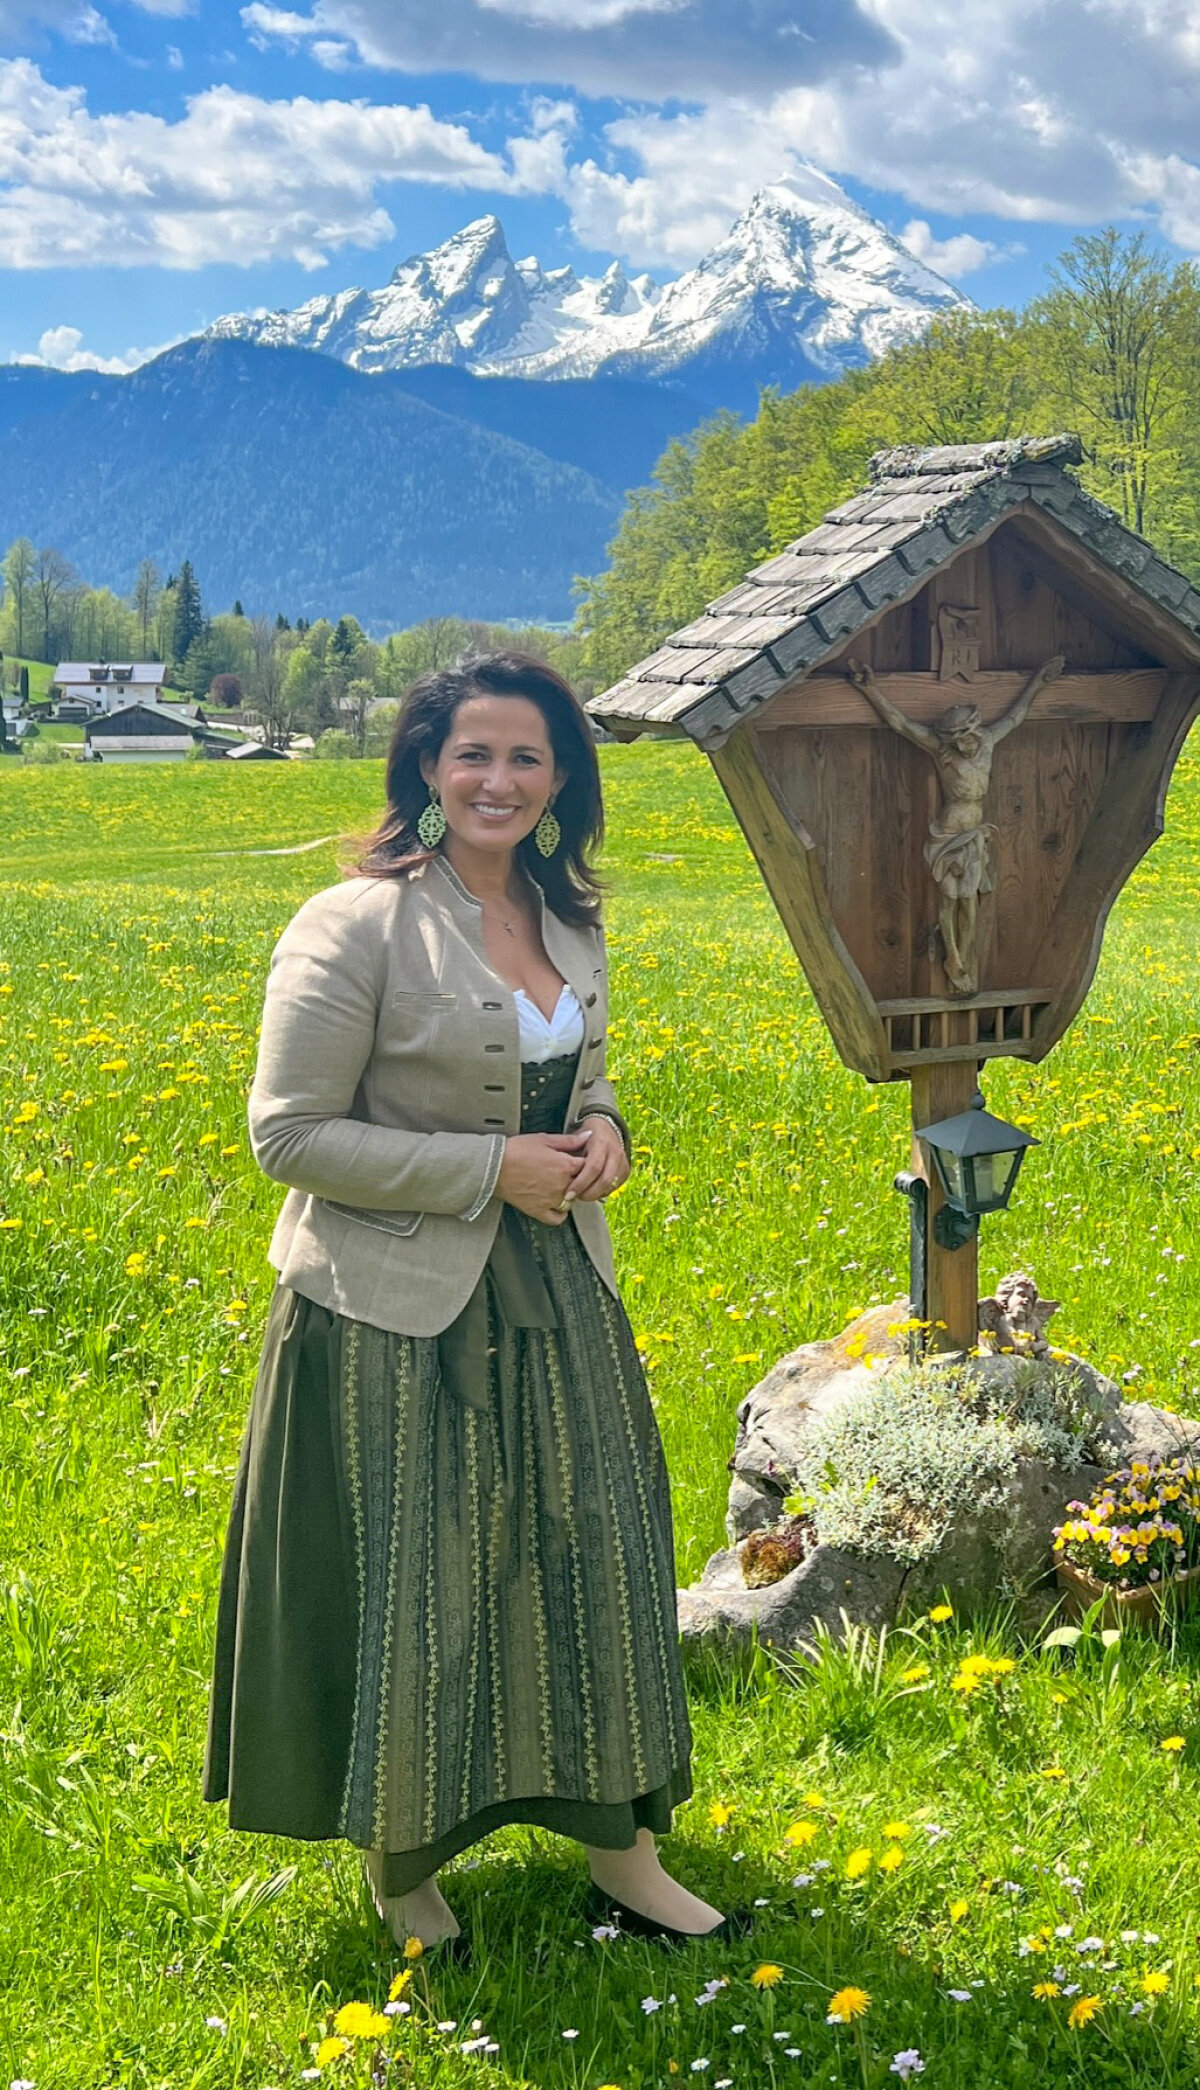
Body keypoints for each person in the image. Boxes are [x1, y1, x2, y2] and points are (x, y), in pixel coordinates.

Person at [201, 652, 754, 1955]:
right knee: (425, 1575)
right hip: (395, 1305)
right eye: (473, 754)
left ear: (563, 778)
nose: (498, 779)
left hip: (559, 1287)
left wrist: (604, 1128)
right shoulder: (352, 923)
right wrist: (487, 1170)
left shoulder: (570, 918)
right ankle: (406, 1866)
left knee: (591, 1553)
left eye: (526, 756)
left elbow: (585, 1072)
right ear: (427, 769)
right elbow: (285, 1132)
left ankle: (622, 1846)